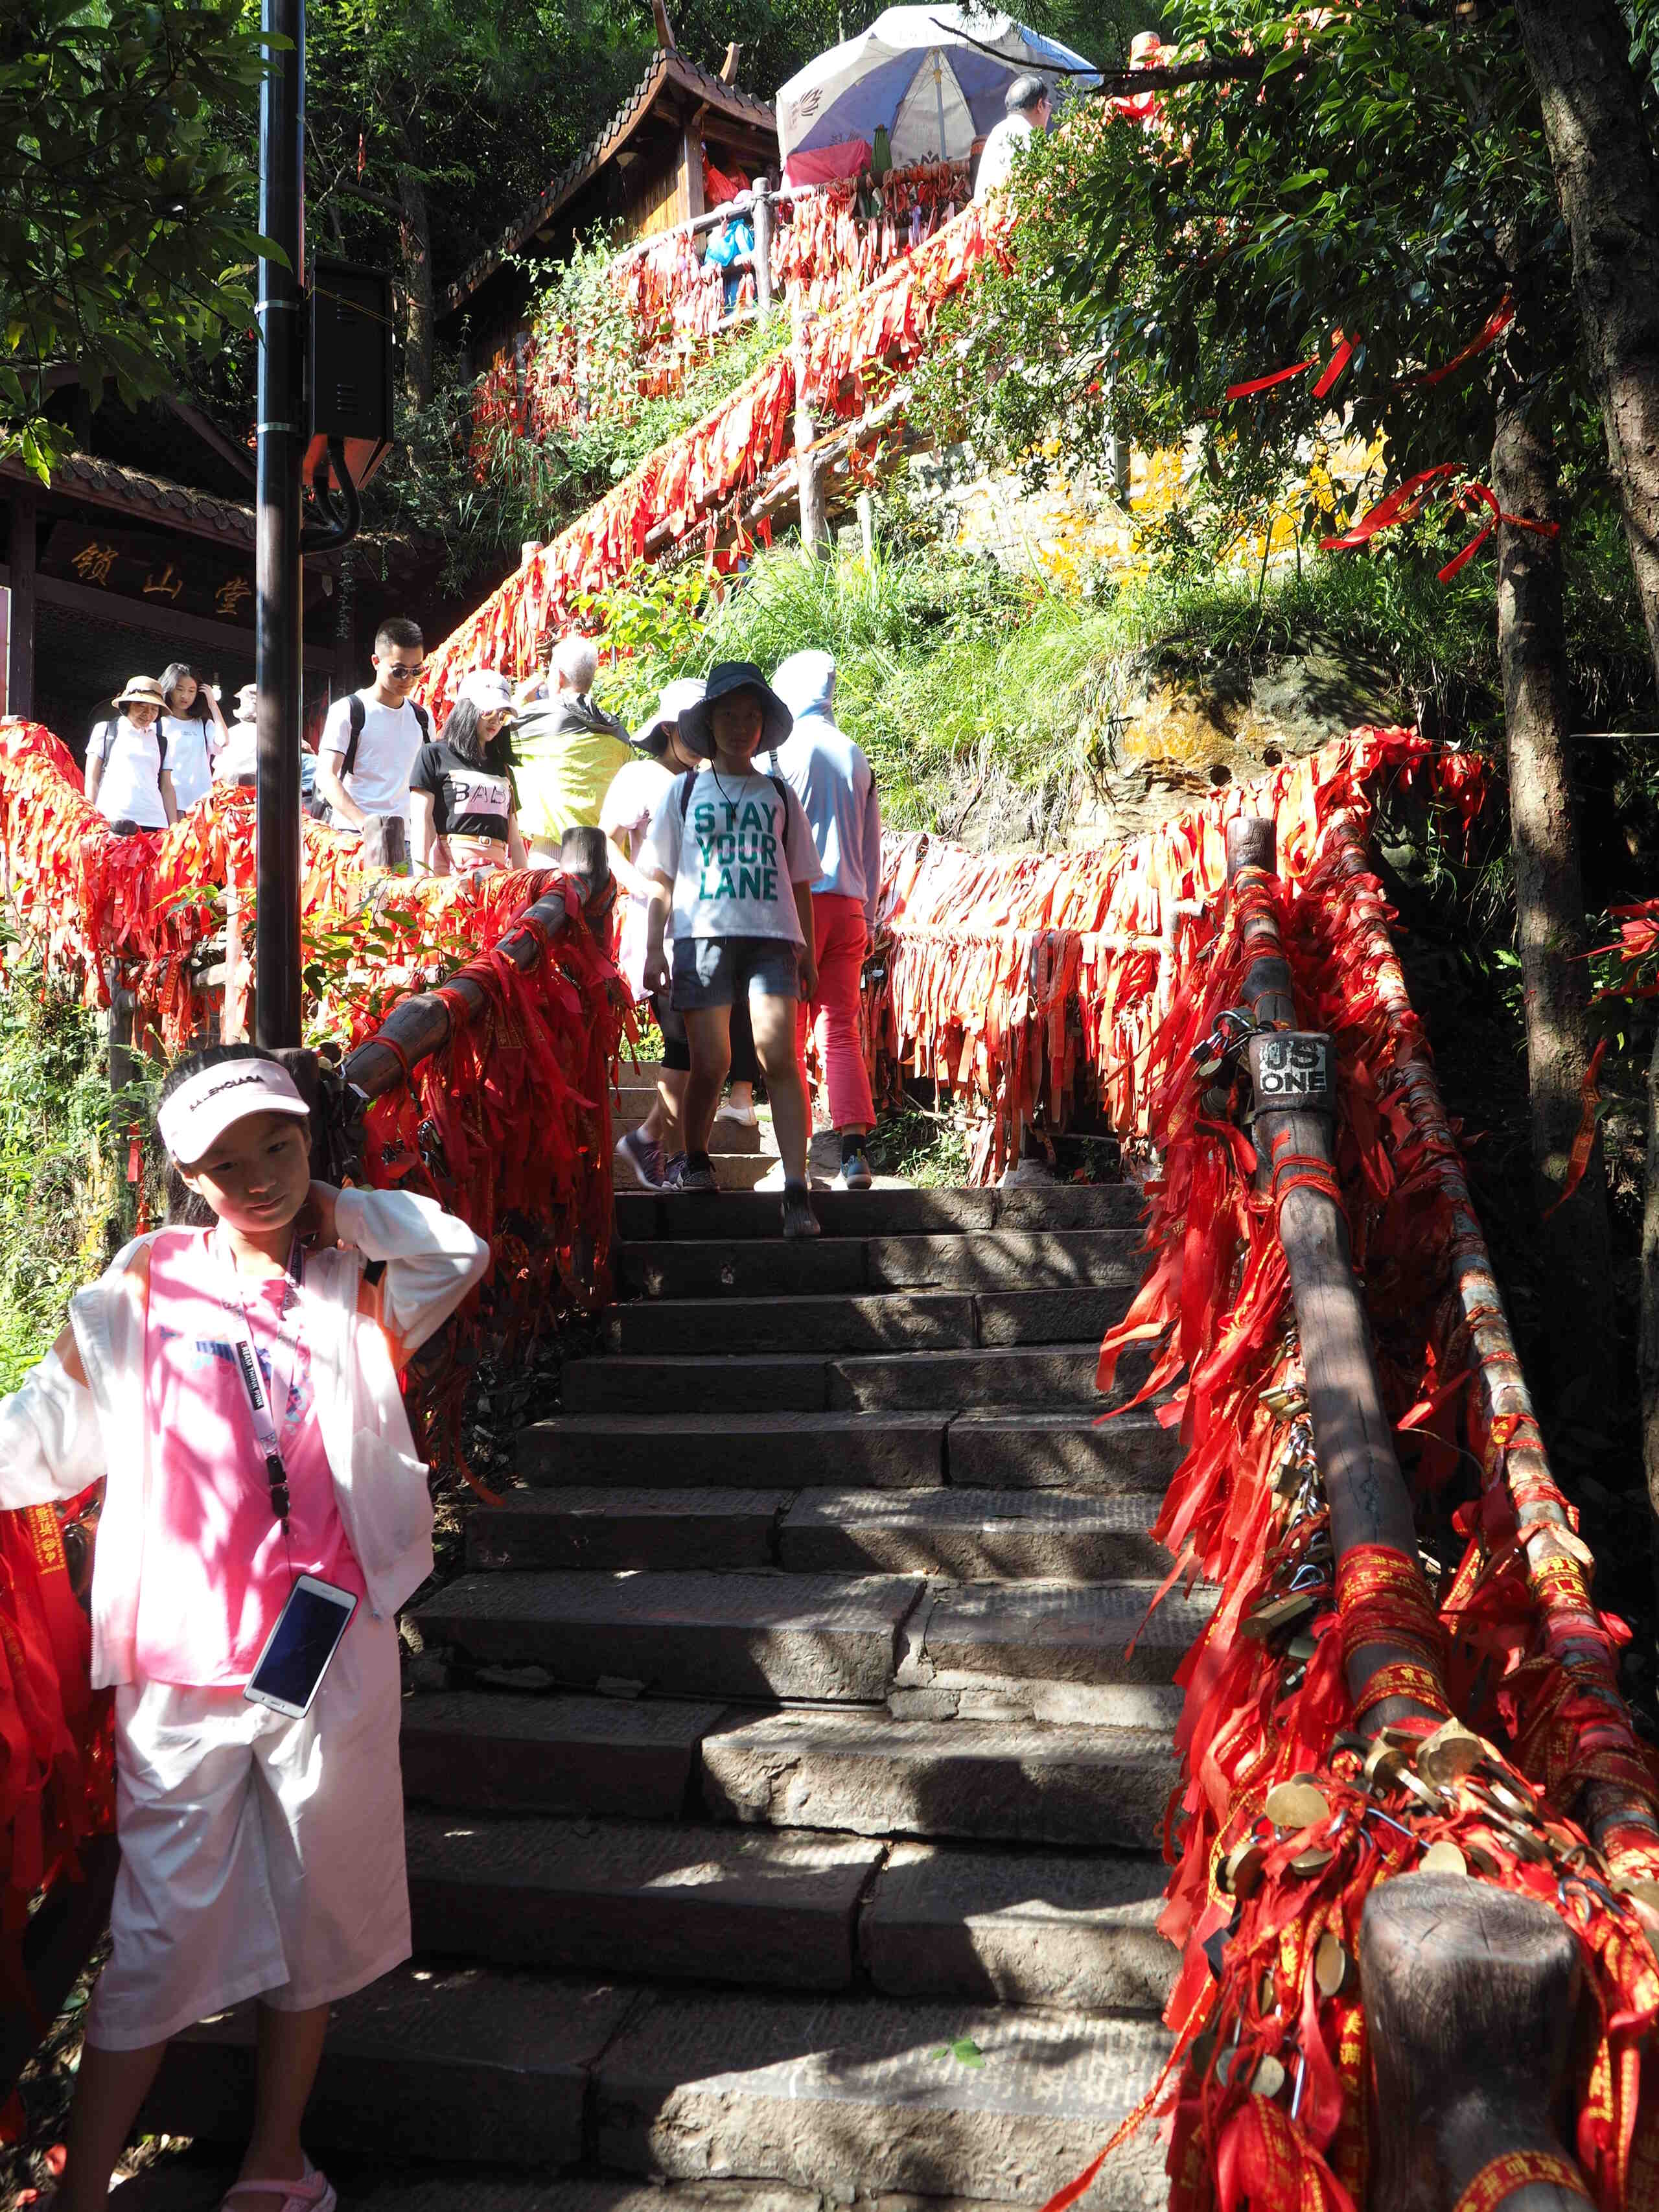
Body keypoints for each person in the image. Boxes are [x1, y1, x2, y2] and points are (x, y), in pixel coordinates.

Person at [0, 1043, 490, 2212]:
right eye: (228, 1160)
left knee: (319, 1901)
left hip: (330, 1644)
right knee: (157, 1928)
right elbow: (40, 1439)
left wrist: (340, 1204)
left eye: (279, 1142)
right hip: (183, 1662)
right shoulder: (139, 1292)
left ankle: (275, 2159)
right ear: (188, 1176)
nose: (261, 1173)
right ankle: (84, 2193)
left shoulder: (354, 1281)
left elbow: (458, 1249)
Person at [641, 661, 820, 1239]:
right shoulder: (684, 789)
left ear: (764, 726)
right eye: (729, 716)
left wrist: (810, 952)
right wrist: (652, 948)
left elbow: (799, 880)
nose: (741, 726)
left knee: (778, 1057)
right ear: (708, 723)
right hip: (701, 937)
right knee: (711, 1061)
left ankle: (798, 1190)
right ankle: (694, 1157)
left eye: (751, 717)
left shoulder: (779, 794)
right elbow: (662, 877)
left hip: (772, 938)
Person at [769, 651, 882, 1192]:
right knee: (841, 1028)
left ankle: (797, 1159)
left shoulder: (780, 752)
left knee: (788, 1032)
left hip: (799, 906)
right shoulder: (855, 754)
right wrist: (872, 909)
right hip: (851, 909)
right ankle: (855, 1155)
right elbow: (872, 846)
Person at [513, 634, 634, 860]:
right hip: (605, 857)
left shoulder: (538, 720)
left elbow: (492, 733)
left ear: (558, 677)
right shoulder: (617, 731)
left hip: (553, 855)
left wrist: (520, 699)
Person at [314, 618, 432, 843]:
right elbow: (326, 775)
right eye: (399, 671)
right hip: (354, 836)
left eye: (416, 671)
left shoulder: (423, 718)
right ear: (376, 661)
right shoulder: (349, 710)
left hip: (408, 839)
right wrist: (365, 825)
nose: (408, 679)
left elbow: (427, 785)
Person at [408, 671, 529, 878]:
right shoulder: (434, 755)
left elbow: (515, 838)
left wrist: (525, 885)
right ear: (467, 708)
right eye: (488, 711)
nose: (496, 721)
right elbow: (422, 824)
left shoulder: (504, 769)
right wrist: (421, 879)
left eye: (503, 715)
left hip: (497, 880)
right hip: (450, 877)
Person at [85, 677, 178, 834]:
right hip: (112, 817)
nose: (148, 714)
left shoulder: (162, 741)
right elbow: (92, 779)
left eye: (154, 709)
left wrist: (175, 826)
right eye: (141, 705)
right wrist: (90, 817)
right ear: (127, 705)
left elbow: (167, 787)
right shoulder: (106, 730)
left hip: (154, 821)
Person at [159, 664, 227, 813]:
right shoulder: (157, 724)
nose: (185, 696)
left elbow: (223, 742)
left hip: (200, 803)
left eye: (192, 691)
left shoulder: (203, 724)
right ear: (169, 688)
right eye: (180, 689)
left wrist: (213, 704)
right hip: (166, 800)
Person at [974, 73, 1052, 202]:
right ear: (1039, 106)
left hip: (986, 218)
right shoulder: (1028, 137)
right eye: (1049, 105)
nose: (1049, 113)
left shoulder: (996, 132)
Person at [705, 192, 758, 315]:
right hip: (736, 281)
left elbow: (718, 255)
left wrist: (722, 235)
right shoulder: (740, 232)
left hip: (738, 282)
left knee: (737, 308)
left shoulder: (736, 233)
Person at [215, 682, 261, 787]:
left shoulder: (234, 733)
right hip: (236, 790)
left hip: (243, 790)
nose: (242, 705)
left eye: (244, 702)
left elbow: (221, 771)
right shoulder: (233, 732)